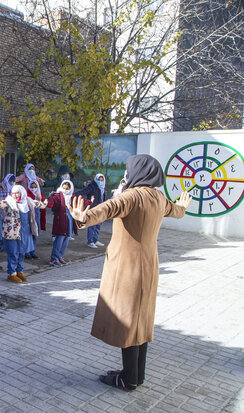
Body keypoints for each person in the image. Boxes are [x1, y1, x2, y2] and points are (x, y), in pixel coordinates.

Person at [67, 154, 191, 392]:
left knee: (127, 321)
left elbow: (110, 207)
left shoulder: (133, 196)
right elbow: (176, 211)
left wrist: (85, 217)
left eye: (128, 170)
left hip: (127, 269)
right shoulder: (158, 197)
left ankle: (128, 379)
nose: (126, 175)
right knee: (141, 321)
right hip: (149, 267)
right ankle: (136, 374)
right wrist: (183, 208)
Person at [0, 185, 44, 282]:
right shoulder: (9, 202)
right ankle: (11, 273)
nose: (15, 195)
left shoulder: (28, 201)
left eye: (17, 193)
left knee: (22, 252)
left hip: (25, 232)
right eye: (13, 193)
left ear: (22, 193)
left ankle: (20, 272)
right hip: (12, 232)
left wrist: (45, 203)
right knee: (13, 253)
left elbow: (39, 204)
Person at [44, 180, 85, 267]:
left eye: (67, 188)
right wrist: (46, 202)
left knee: (67, 238)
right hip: (60, 221)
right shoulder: (58, 195)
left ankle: (59, 256)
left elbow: (80, 201)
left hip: (69, 220)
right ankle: (54, 258)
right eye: (64, 188)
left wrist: (91, 202)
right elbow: (51, 201)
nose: (65, 190)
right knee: (59, 239)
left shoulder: (72, 196)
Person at [75, 173, 108, 248]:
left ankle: (95, 240)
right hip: (93, 208)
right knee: (92, 225)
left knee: (98, 225)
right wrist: (74, 194)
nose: (100, 181)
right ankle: (90, 241)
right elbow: (83, 191)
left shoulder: (102, 188)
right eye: (99, 179)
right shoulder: (92, 186)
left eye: (102, 180)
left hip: (100, 209)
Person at [25, 179, 46, 259]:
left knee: (34, 235)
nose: (33, 188)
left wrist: (40, 199)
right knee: (29, 235)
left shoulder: (39, 194)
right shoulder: (27, 194)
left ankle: (33, 251)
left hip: (36, 218)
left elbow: (44, 204)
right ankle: (27, 252)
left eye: (35, 187)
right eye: (31, 187)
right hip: (29, 218)